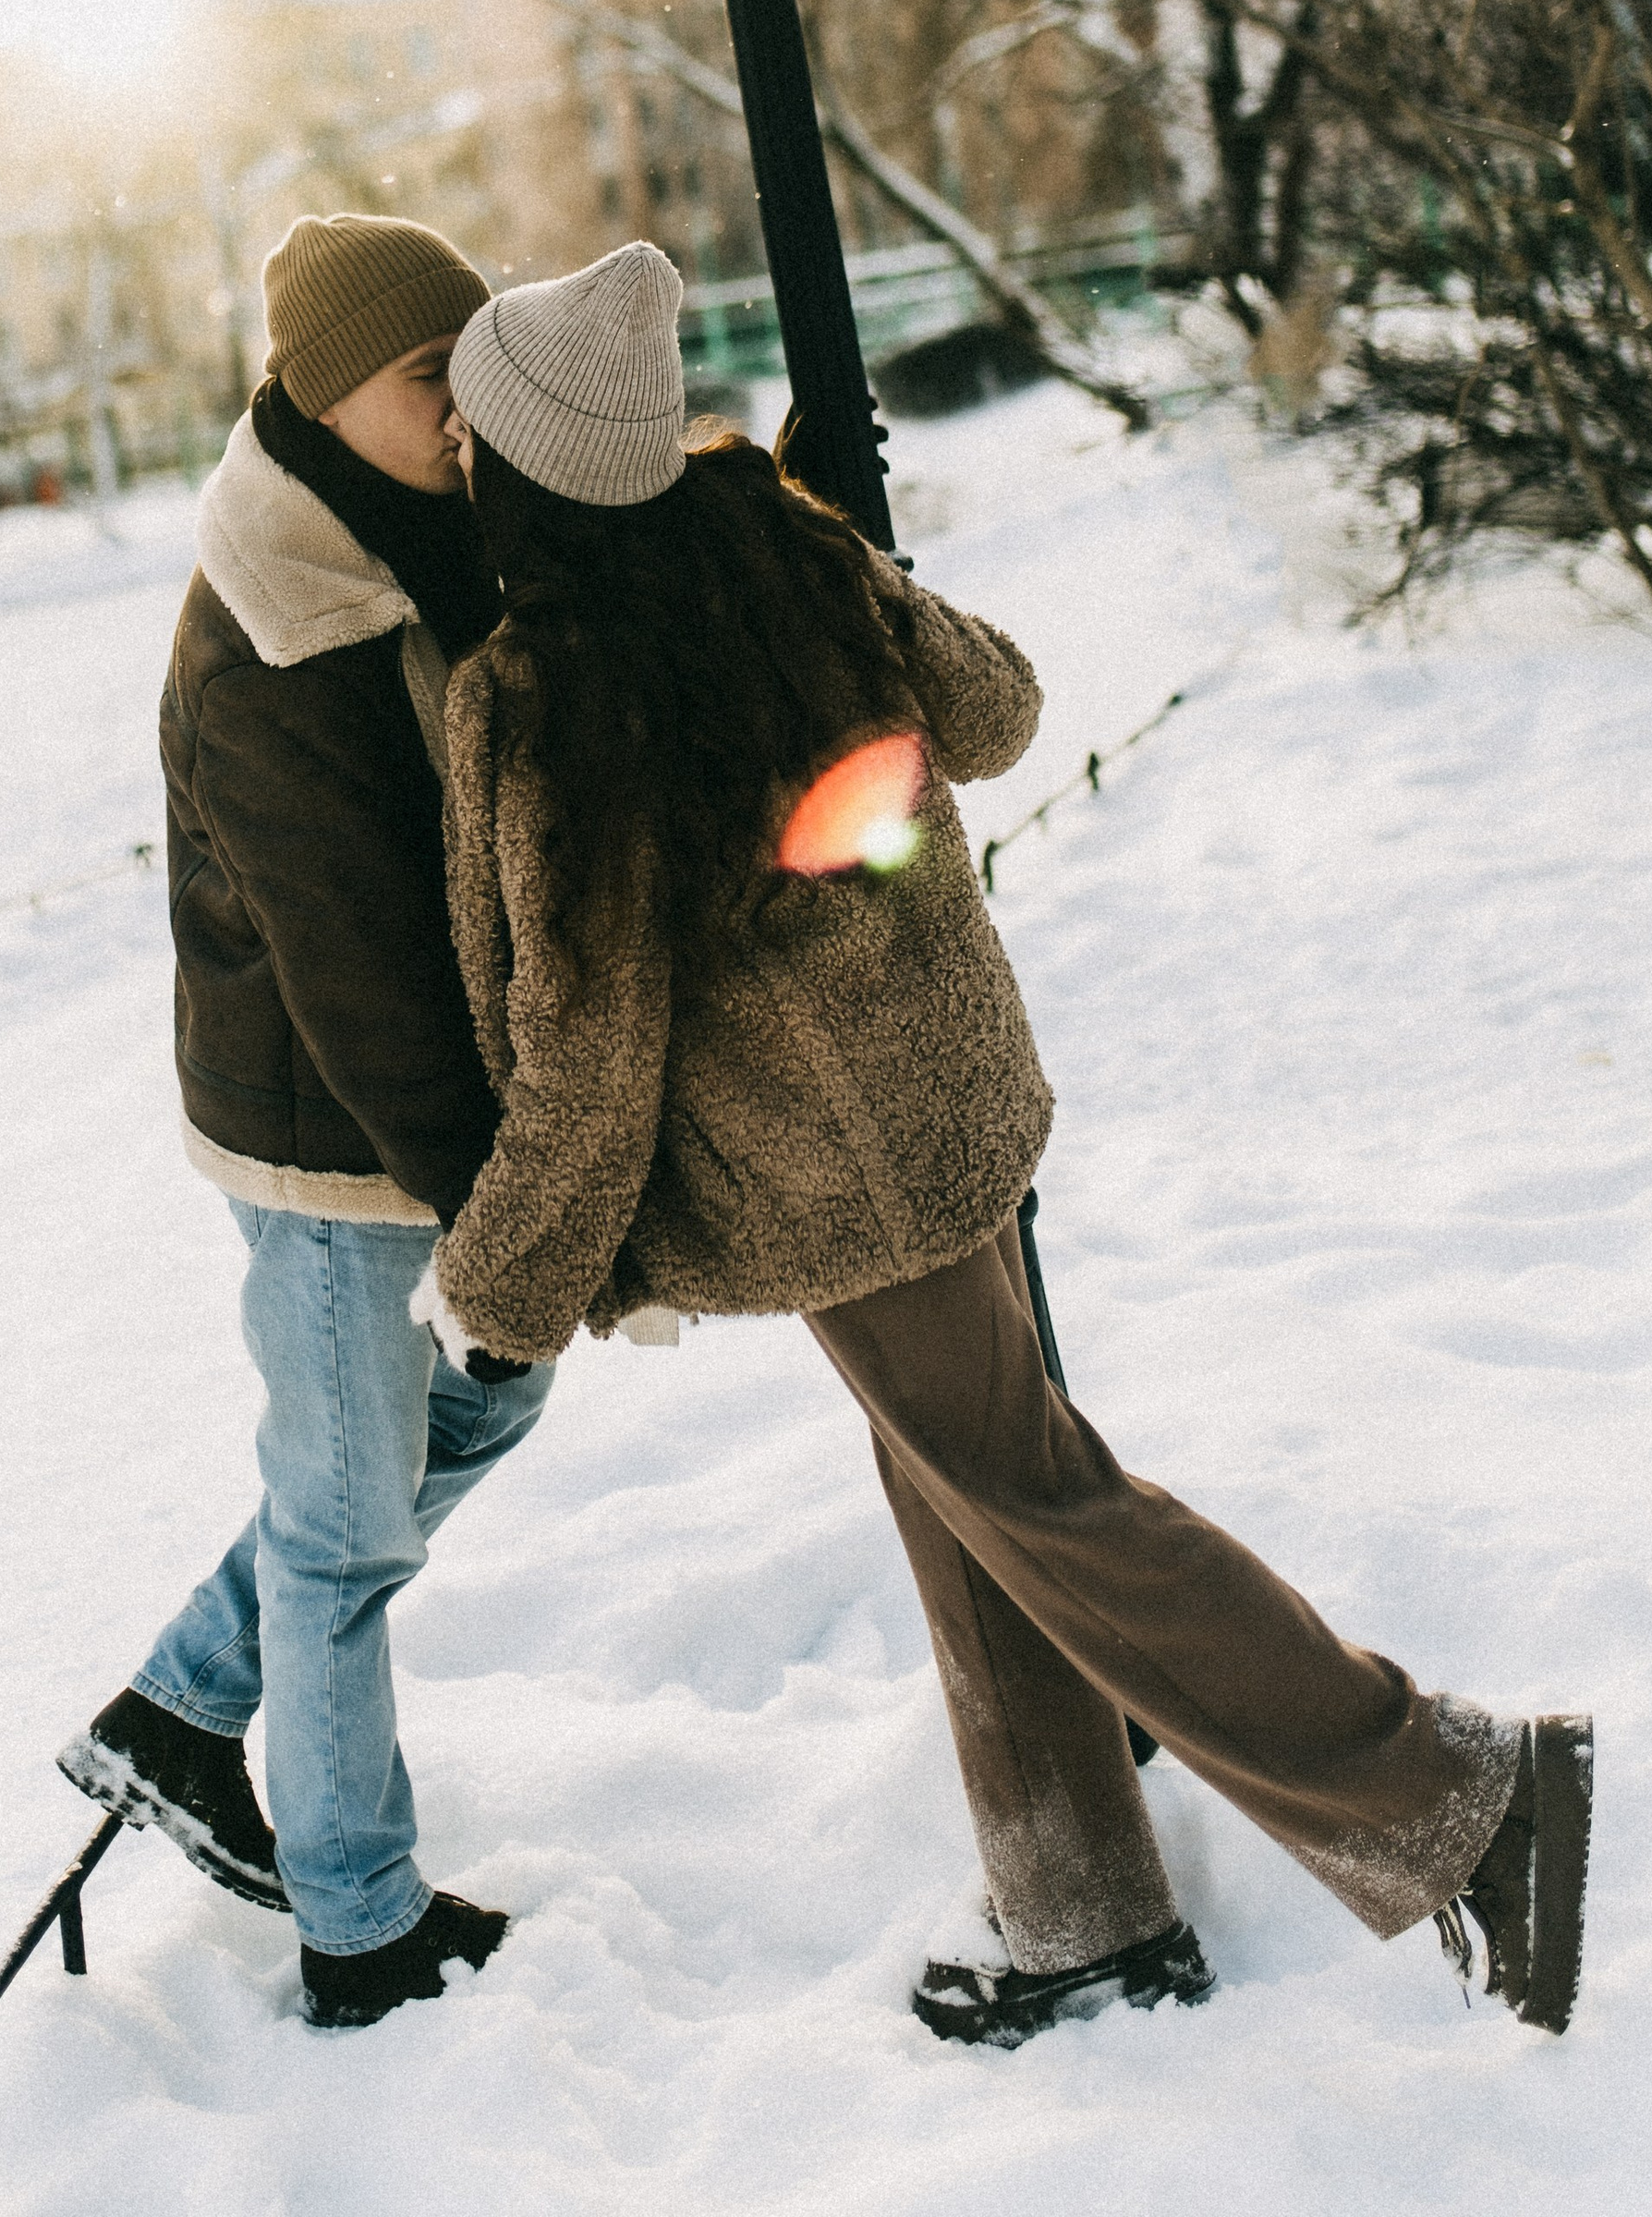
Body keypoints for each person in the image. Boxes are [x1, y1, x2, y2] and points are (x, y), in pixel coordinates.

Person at [414, 238, 1592, 2050]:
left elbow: (587, 1043)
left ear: (530, 469)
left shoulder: (546, 686)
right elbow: (995, 709)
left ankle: (1458, 1800)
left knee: (1038, 1493)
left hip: (830, 1175)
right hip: (941, 1109)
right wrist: (841, 553)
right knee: (970, 1490)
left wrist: (501, 1286)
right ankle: (1082, 1912)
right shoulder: (770, 546)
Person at [60, 213, 555, 2031]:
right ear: (321, 384)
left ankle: (180, 1708)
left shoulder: (412, 532)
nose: (459, 406)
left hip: (395, 1119)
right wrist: (497, 1203)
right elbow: (357, 970)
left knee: (467, 1412)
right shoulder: (270, 636)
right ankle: (357, 1932)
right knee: (343, 1537)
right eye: (430, 373)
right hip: (325, 1135)